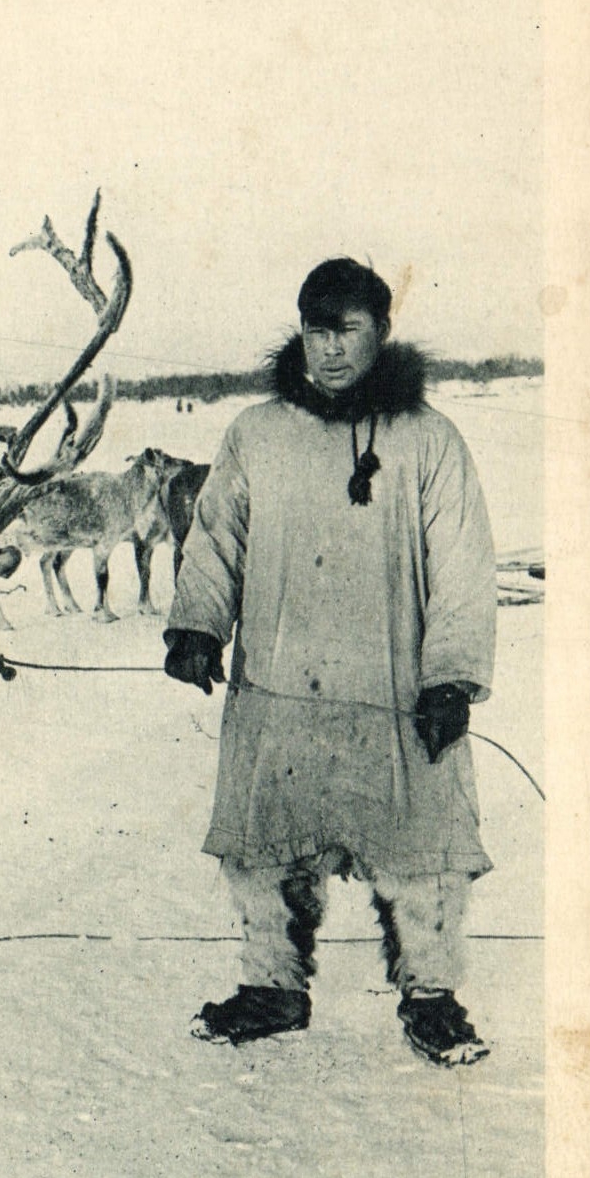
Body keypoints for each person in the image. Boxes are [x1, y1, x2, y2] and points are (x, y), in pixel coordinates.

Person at [163, 258, 496, 1066]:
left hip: (394, 687)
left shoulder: (428, 440)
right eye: (316, 330)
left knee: (421, 845)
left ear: (381, 330)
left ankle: (431, 999)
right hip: (279, 683)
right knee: (264, 841)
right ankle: (271, 987)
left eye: (347, 330)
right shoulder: (255, 434)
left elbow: (461, 564)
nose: (330, 348)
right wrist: (197, 625)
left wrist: (451, 677)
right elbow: (216, 537)